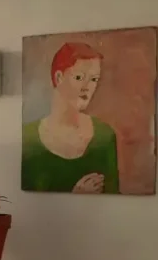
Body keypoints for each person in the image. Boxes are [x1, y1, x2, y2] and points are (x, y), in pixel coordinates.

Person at [22, 40, 119, 193]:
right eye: (79, 78)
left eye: (94, 79)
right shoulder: (28, 137)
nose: (87, 87)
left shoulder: (104, 135)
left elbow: (113, 196)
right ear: (59, 77)